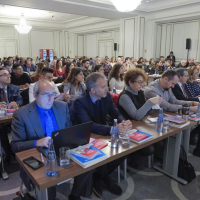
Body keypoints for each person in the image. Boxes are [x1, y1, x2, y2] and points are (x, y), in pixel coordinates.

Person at [11, 79, 93, 200]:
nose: (51, 99)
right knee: (47, 184)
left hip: (63, 149)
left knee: (89, 164)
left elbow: (68, 129)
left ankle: (75, 195)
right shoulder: (21, 114)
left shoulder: (62, 106)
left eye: (53, 95)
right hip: (39, 155)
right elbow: (15, 146)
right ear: (35, 95)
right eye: (46, 95)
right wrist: (37, 142)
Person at [74, 72, 132, 197]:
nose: (107, 88)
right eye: (104, 86)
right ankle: (106, 179)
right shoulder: (80, 102)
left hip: (103, 133)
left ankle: (97, 177)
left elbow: (116, 113)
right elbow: (88, 125)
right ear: (93, 90)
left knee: (124, 150)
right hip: (85, 137)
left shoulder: (106, 97)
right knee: (102, 155)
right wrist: (112, 129)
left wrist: (124, 122)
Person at [0, 68, 23, 164]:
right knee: (2, 131)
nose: (8, 76)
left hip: (12, 117)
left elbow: (20, 100)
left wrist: (16, 104)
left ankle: (17, 151)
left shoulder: (14, 88)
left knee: (21, 127)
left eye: (8, 74)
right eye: (5, 74)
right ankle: (7, 153)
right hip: (1, 119)